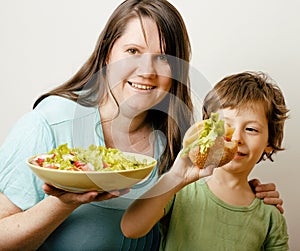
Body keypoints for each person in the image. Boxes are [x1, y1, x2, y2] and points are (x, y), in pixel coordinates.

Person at [0, 0, 283, 250]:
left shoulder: (177, 137)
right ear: (107, 53)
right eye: (133, 50)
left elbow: (202, 201)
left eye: (162, 57)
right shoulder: (50, 122)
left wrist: (251, 197)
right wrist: (62, 203)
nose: (146, 71)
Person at [121, 71, 289, 250]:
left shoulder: (270, 215)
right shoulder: (179, 191)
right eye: (224, 125)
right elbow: (130, 228)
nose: (236, 138)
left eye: (251, 129)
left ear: (270, 143)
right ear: (206, 129)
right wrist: (176, 177)